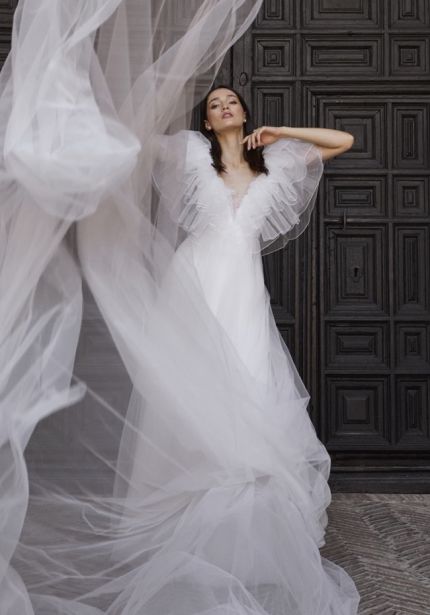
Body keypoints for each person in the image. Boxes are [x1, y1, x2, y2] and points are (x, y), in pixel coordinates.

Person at [0, 3, 361, 613]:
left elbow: (344, 140)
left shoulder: (276, 165)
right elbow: (133, 138)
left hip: (241, 290)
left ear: (245, 113)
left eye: (231, 102)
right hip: (191, 285)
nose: (222, 107)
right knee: (190, 397)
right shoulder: (188, 152)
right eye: (214, 102)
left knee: (248, 391)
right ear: (206, 117)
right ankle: (179, 524)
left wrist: (284, 133)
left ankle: (245, 542)